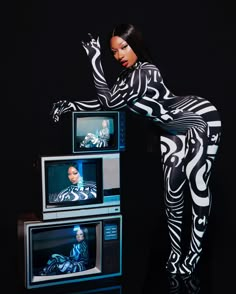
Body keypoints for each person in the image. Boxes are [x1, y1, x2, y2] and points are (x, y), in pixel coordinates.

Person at [50, 24, 222, 276]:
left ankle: (193, 253)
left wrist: (95, 60)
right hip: (170, 131)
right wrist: (71, 105)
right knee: (172, 195)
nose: (119, 55)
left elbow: (107, 101)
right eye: (113, 52)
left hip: (197, 119)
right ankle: (176, 252)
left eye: (124, 47)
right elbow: (106, 103)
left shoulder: (147, 73)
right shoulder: (124, 78)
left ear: (136, 45)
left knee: (197, 184)